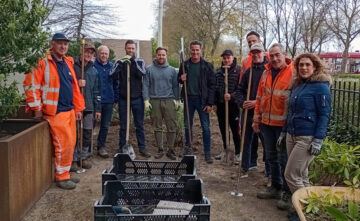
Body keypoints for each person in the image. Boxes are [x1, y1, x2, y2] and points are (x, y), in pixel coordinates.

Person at [23, 33, 85, 190]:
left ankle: (66, 172)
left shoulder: (67, 62)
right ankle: (62, 176)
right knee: (63, 144)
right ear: (52, 44)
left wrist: (78, 108)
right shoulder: (42, 62)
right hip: (54, 112)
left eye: (65, 44)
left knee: (71, 143)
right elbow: (31, 86)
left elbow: (74, 88)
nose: (63, 46)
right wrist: (37, 109)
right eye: (60, 43)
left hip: (69, 109)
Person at [280, 53, 332, 220]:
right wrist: (283, 131)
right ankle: (307, 208)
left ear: (315, 67)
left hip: (307, 137)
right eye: (301, 65)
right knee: (302, 175)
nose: (303, 68)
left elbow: (324, 115)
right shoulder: (297, 85)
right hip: (292, 134)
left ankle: (303, 209)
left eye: (307, 65)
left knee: (291, 175)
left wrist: (318, 140)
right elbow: (290, 111)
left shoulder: (321, 87)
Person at [252, 43, 293, 210]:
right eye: (272, 55)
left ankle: (287, 191)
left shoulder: (293, 72)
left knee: (285, 159)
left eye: (278, 55)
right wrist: (256, 119)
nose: (275, 58)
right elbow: (260, 97)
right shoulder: (265, 72)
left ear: (284, 54)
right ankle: (275, 186)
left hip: (283, 125)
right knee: (271, 157)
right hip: (267, 123)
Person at [234, 43, 270, 177]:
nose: (255, 55)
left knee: (266, 142)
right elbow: (239, 90)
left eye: (258, 52)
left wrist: (256, 103)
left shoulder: (268, 71)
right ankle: (245, 167)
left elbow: (270, 94)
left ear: (263, 53)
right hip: (248, 112)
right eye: (253, 53)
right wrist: (242, 102)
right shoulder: (249, 71)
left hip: (263, 112)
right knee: (245, 139)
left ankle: (269, 170)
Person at [178, 40, 216, 164]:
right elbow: (179, 79)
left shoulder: (207, 66)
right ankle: (188, 148)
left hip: (202, 100)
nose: (195, 52)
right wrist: (181, 78)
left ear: (201, 51)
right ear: (190, 50)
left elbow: (212, 85)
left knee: (205, 127)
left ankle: (207, 152)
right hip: (189, 99)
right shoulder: (185, 65)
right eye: (193, 49)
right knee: (187, 125)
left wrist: (210, 103)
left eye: (197, 50)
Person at [111, 40, 151, 158]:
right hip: (124, 99)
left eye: (133, 48)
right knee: (124, 125)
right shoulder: (119, 62)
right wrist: (121, 64)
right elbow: (112, 74)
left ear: (136, 50)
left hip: (137, 98)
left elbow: (142, 73)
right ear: (125, 49)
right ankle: (122, 146)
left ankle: (142, 147)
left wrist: (132, 63)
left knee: (139, 124)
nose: (131, 51)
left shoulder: (140, 61)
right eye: (129, 48)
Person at [143, 47, 180, 160]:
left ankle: (171, 149)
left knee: (171, 126)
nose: (161, 57)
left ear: (166, 56)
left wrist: (178, 99)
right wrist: (146, 100)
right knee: (157, 127)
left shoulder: (172, 70)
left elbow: (175, 85)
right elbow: (146, 85)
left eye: (163, 55)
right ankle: (160, 149)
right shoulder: (149, 70)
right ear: (156, 55)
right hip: (155, 101)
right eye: (159, 55)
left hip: (169, 100)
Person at [71, 41, 101, 170]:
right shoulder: (73, 66)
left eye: (90, 52)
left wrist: (97, 108)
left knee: (87, 133)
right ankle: (73, 159)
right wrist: (77, 83)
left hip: (89, 106)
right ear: (81, 51)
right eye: (86, 51)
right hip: (75, 107)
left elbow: (96, 91)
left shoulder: (93, 71)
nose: (88, 54)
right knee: (75, 134)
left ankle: (83, 157)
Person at [214, 49, 241, 164]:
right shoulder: (218, 71)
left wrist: (232, 96)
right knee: (223, 129)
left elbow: (241, 88)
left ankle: (238, 153)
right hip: (221, 105)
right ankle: (225, 150)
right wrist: (215, 102)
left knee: (235, 130)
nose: (226, 60)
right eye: (224, 58)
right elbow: (215, 87)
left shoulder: (238, 71)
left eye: (228, 58)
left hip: (233, 105)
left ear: (232, 57)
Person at [94, 45, 114, 158]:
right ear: (98, 54)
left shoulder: (112, 67)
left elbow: (116, 83)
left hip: (108, 100)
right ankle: (86, 149)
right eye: (102, 53)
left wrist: (114, 97)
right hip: (95, 100)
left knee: (105, 125)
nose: (104, 55)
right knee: (90, 125)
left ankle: (101, 147)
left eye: (106, 53)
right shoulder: (93, 66)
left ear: (108, 55)